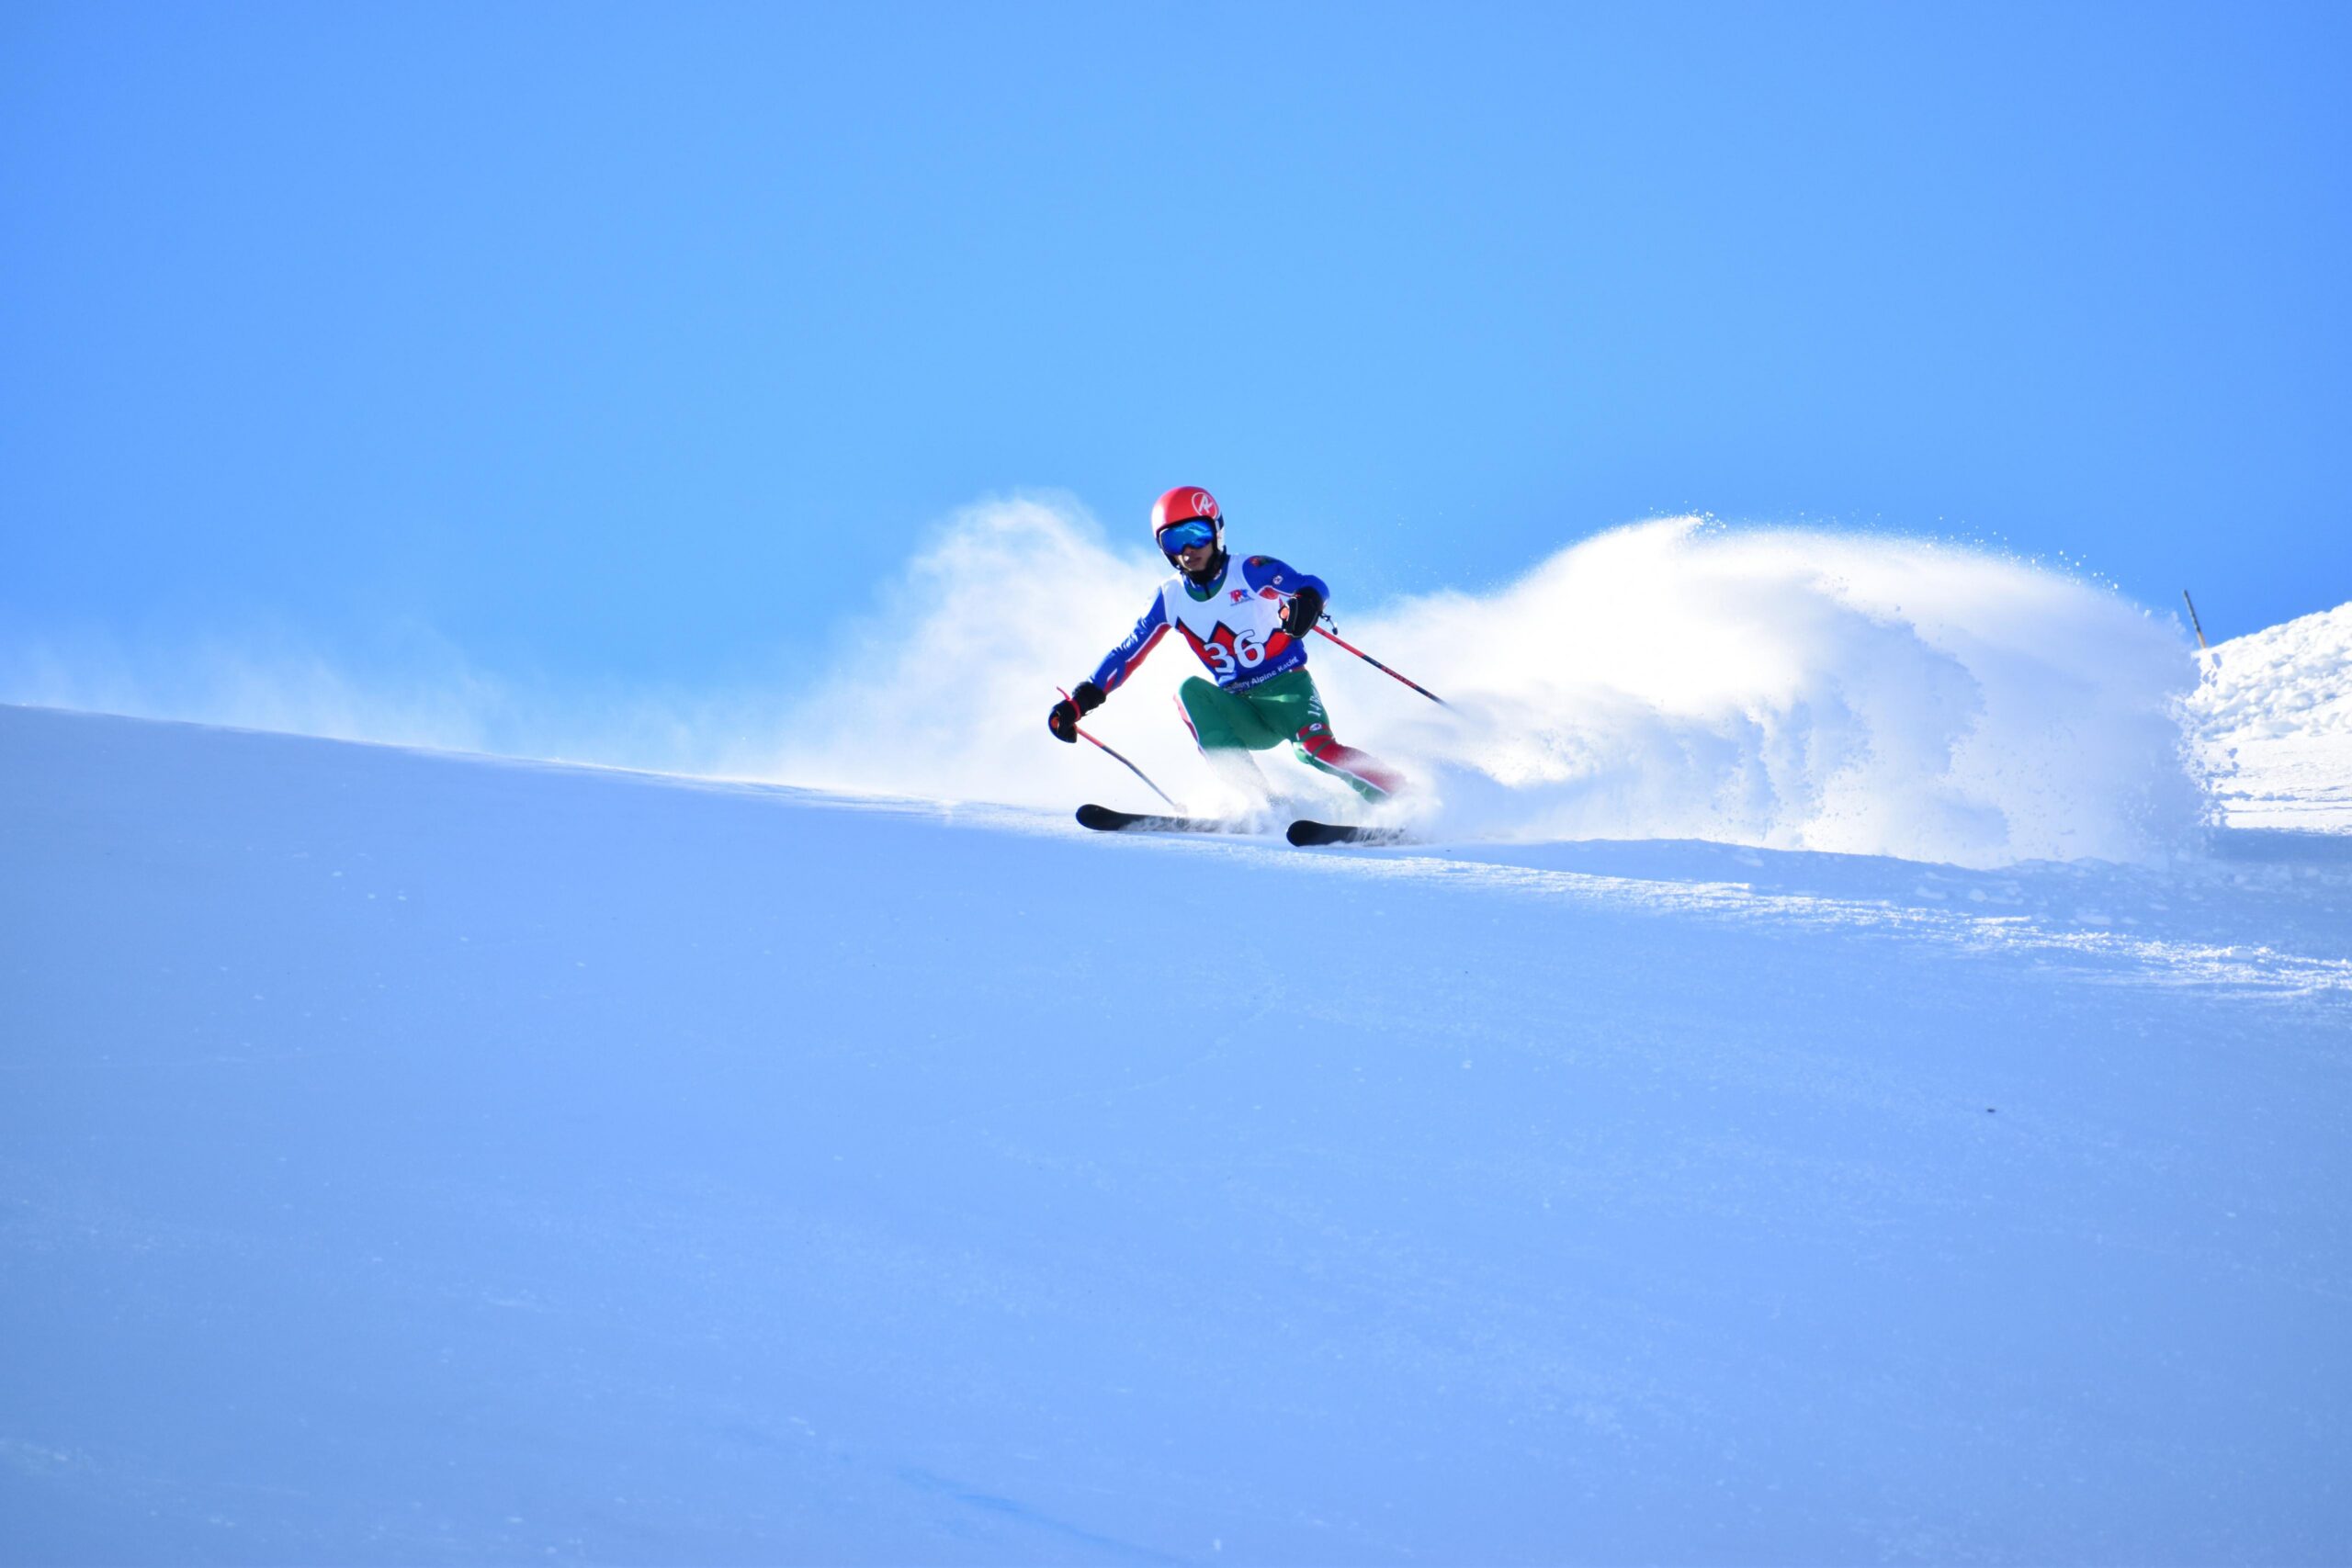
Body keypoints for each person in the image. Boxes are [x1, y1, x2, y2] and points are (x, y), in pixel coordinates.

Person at [1047, 486, 1403, 804]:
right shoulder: (1169, 598)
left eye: (1197, 534)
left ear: (1216, 531)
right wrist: (1079, 701)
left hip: (1287, 691)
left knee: (1315, 751)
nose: (1188, 550)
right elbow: (1126, 655)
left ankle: (1400, 795)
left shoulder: (1249, 570)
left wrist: (1308, 601)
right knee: (1188, 692)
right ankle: (1266, 805)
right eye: (1174, 541)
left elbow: (1309, 584)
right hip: (1240, 704)